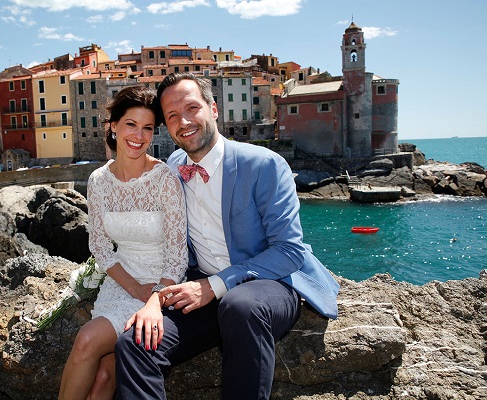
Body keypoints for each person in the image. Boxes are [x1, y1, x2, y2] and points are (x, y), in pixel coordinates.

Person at [115, 73, 340, 399]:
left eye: (192, 108)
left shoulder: (264, 165)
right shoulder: (175, 166)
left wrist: (213, 286)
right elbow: (169, 244)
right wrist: (154, 300)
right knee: (135, 342)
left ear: (214, 108)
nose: (184, 121)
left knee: (239, 307)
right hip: (201, 289)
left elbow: (289, 251)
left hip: (269, 286)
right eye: (173, 116)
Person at [58, 86, 188, 400]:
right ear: (113, 126)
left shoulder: (165, 179)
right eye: (131, 124)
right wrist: (133, 288)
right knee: (102, 374)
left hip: (162, 286)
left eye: (147, 128)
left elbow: (177, 256)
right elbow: (100, 247)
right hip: (121, 282)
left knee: (91, 349)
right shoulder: (98, 181)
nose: (139, 135)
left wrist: (153, 297)